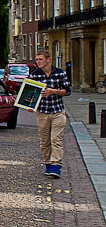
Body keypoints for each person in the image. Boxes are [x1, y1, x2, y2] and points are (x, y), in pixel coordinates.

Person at [30, 49, 71, 178]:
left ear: (48, 59)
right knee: (44, 141)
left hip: (57, 111)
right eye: (37, 60)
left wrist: (53, 91)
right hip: (42, 112)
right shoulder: (34, 75)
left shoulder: (60, 73)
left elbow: (67, 91)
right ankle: (48, 163)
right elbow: (30, 93)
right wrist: (29, 105)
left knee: (56, 139)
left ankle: (56, 166)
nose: (38, 62)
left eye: (40, 59)